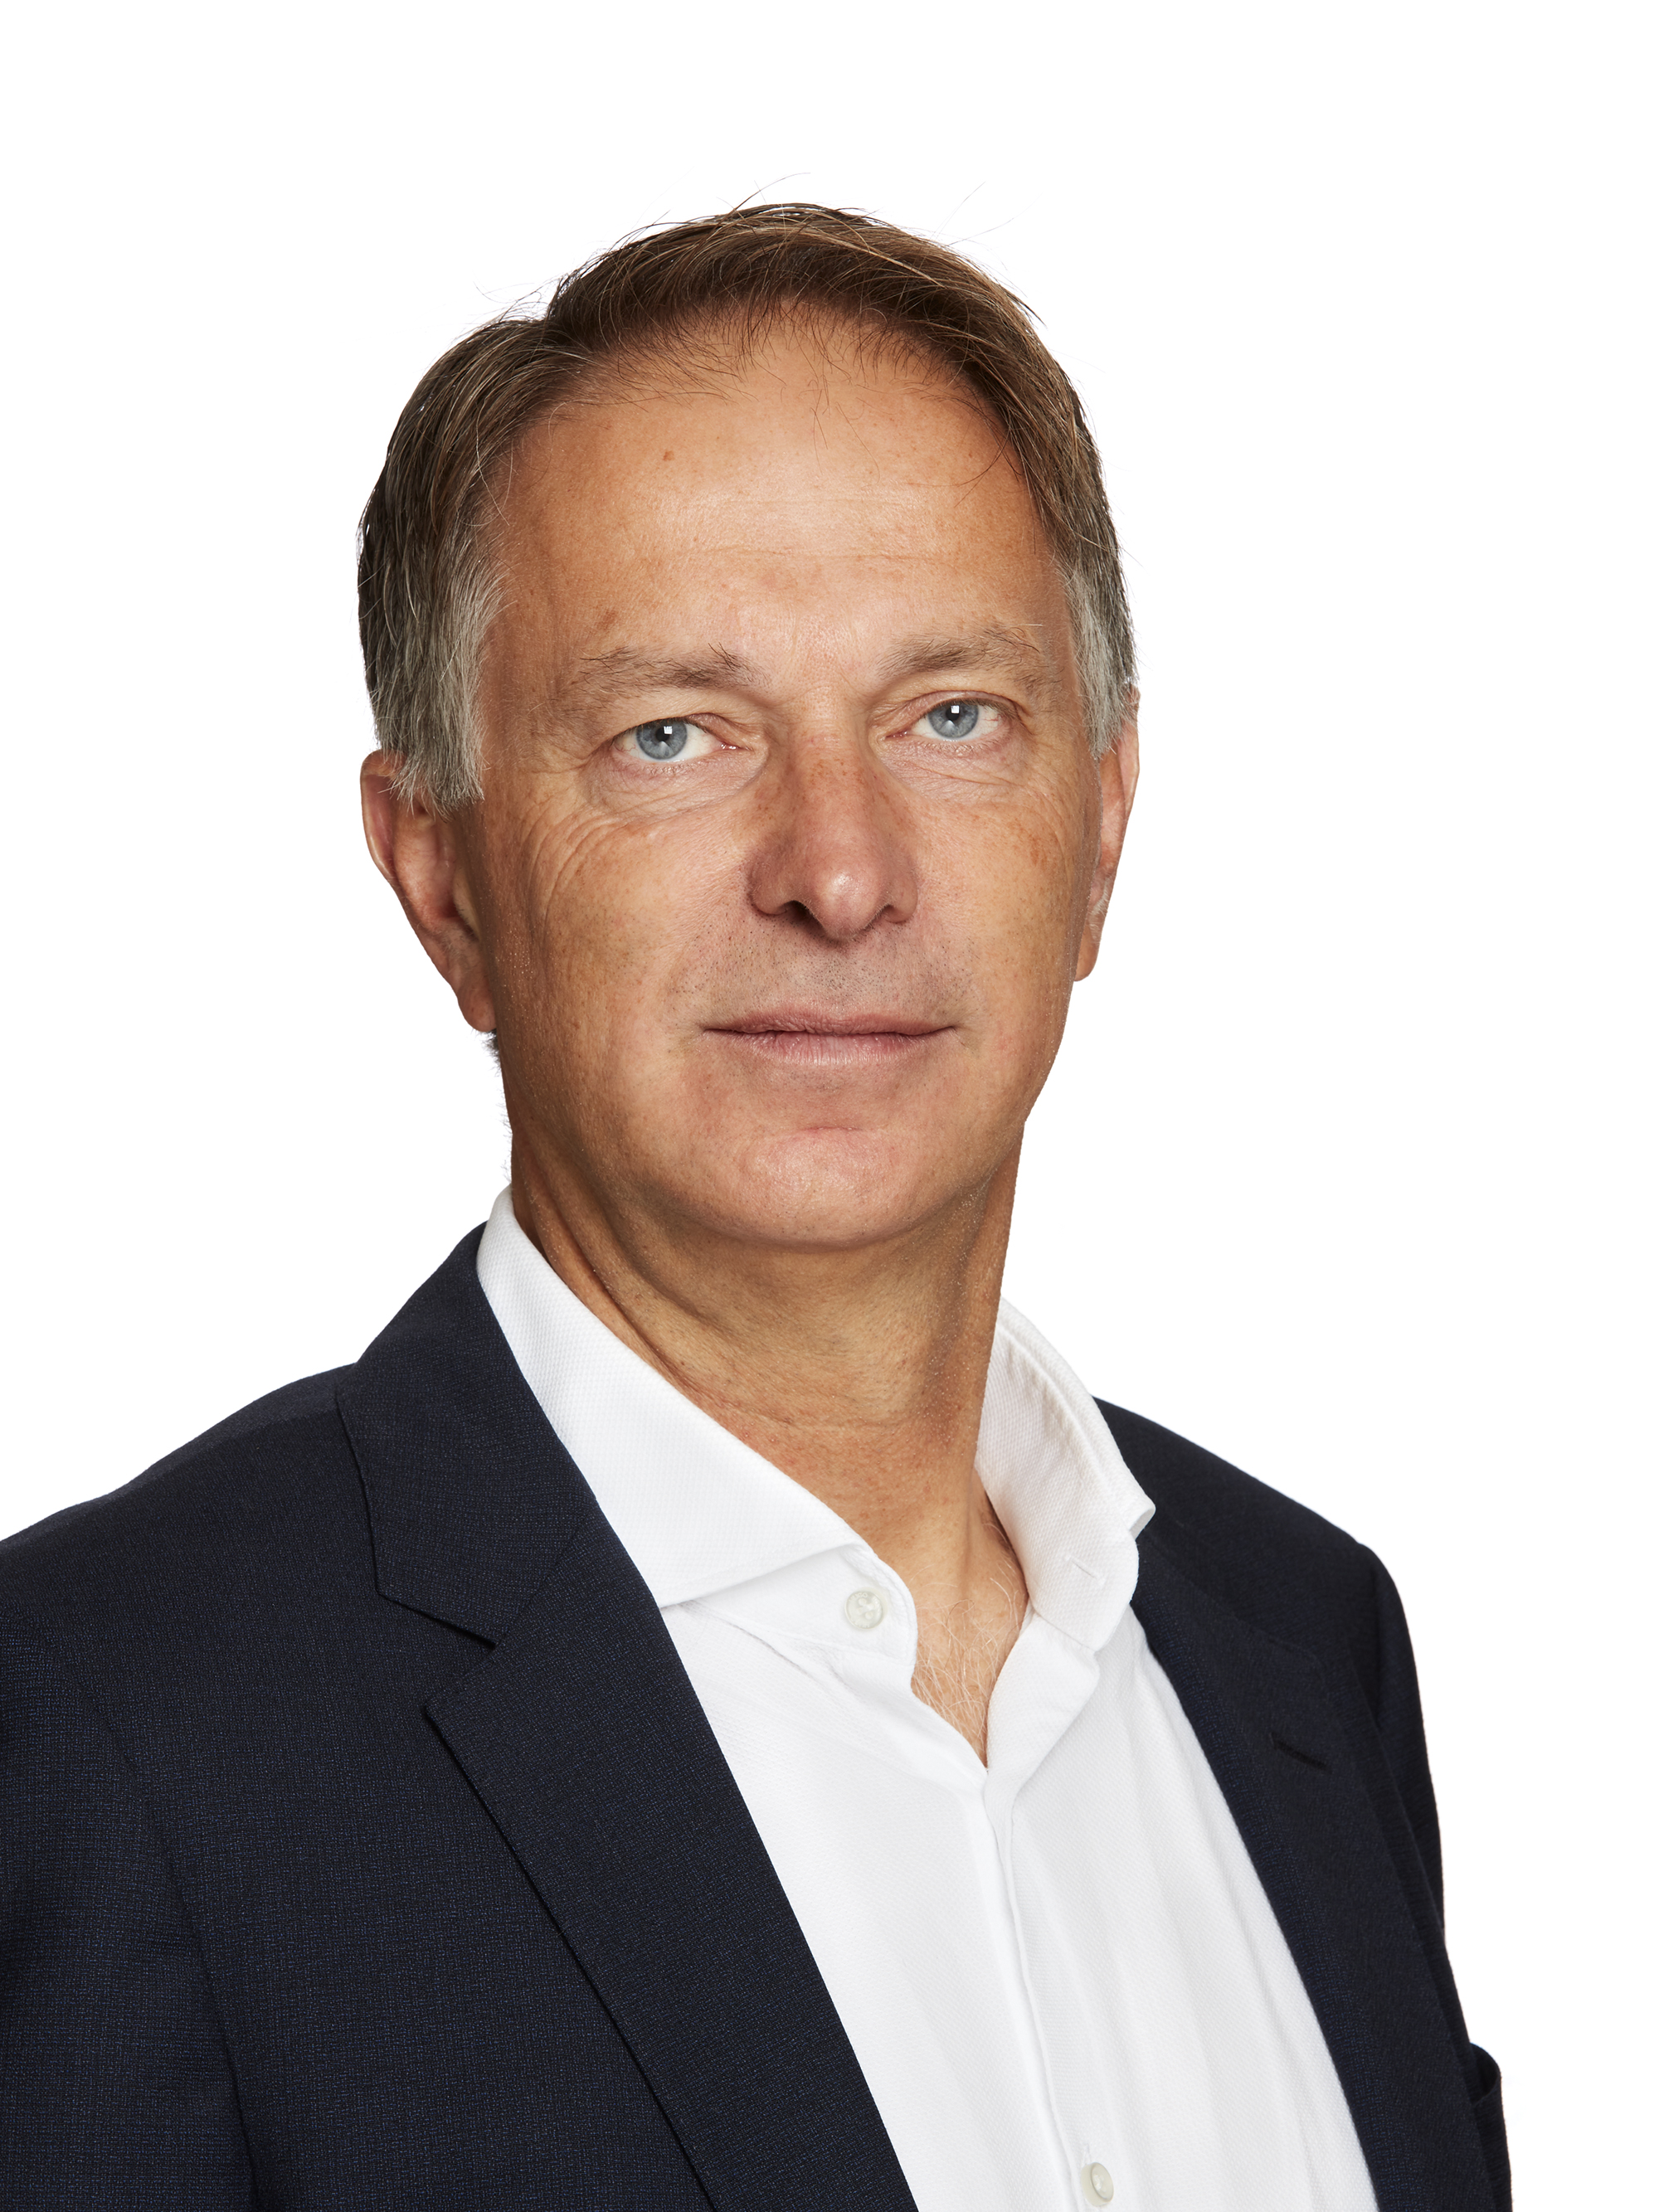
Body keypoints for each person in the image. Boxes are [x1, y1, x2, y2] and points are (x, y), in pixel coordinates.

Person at [0, 207, 1508, 2212]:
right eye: (673, 734)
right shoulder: (111, 1723)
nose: (840, 868)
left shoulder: (1303, 1648)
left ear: (1101, 826)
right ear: (441, 873)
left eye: (951, 713)